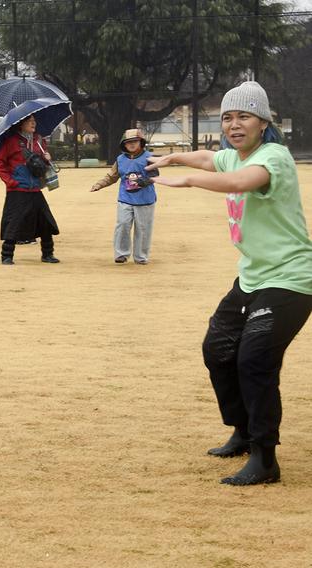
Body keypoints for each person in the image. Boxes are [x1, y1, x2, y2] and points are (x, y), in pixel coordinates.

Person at [148, 81, 312, 485]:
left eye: (244, 116)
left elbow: (243, 182)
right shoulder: (234, 155)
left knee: (254, 360)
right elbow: (211, 158)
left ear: (263, 122)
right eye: (228, 117)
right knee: (218, 351)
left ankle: (264, 457)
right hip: (253, 277)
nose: (234, 124)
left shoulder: (272, 157)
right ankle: (241, 430)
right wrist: (172, 160)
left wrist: (185, 182)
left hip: (291, 279)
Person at [0, 114, 60, 265]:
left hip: (35, 188)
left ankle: (48, 254)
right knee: (14, 223)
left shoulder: (39, 141)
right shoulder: (11, 142)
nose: (33, 123)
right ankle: (7, 255)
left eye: (34, 120)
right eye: (29, 121)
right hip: (18, 189)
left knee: (45, 221)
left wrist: (47, 159)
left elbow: (41, 165)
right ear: (20, 124)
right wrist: (10, 182)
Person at [90, 128, 158, 264]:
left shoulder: (149, 157)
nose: (132, 144)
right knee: (122, 224)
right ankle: (121, 254)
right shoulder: (120, 159)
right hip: (125, 198)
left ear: (141, 142)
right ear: (124, 144)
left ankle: (141, 256)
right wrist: (99, 184)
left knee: (143, 228)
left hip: (145, 199)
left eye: (135, 141)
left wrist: (145, 181)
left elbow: (154, 175)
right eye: (128, 142)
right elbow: (112, 176)